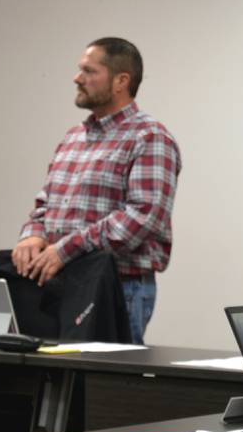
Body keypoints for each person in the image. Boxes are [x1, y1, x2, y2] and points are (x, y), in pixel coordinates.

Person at [12, 37, 181, 344]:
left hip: (118, 287)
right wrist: (33, 234)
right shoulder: (74, 136)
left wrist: (66, 249)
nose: (78, 78)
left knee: (105, 389)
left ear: (121, 81)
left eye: (89, 71)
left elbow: (142, 219)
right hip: (58, 282)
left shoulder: (149, 137)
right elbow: (45, 202)